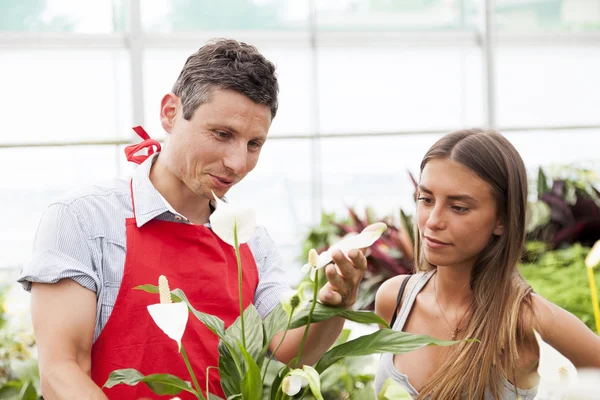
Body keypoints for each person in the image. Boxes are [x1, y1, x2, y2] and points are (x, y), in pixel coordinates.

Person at [18, 39, 367, 400]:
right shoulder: (84, 221)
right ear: (170, 113)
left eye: (254, 144)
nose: (237, 163)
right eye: (222, 134)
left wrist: (334, 303)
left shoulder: (251, 241)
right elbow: (62, 373)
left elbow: (292, 350)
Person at [374, 129, 600, 399]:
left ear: (502, 220)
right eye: (426, 199)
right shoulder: (395, 300)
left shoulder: (525, 319)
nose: (433, 221)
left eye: (458, 207)